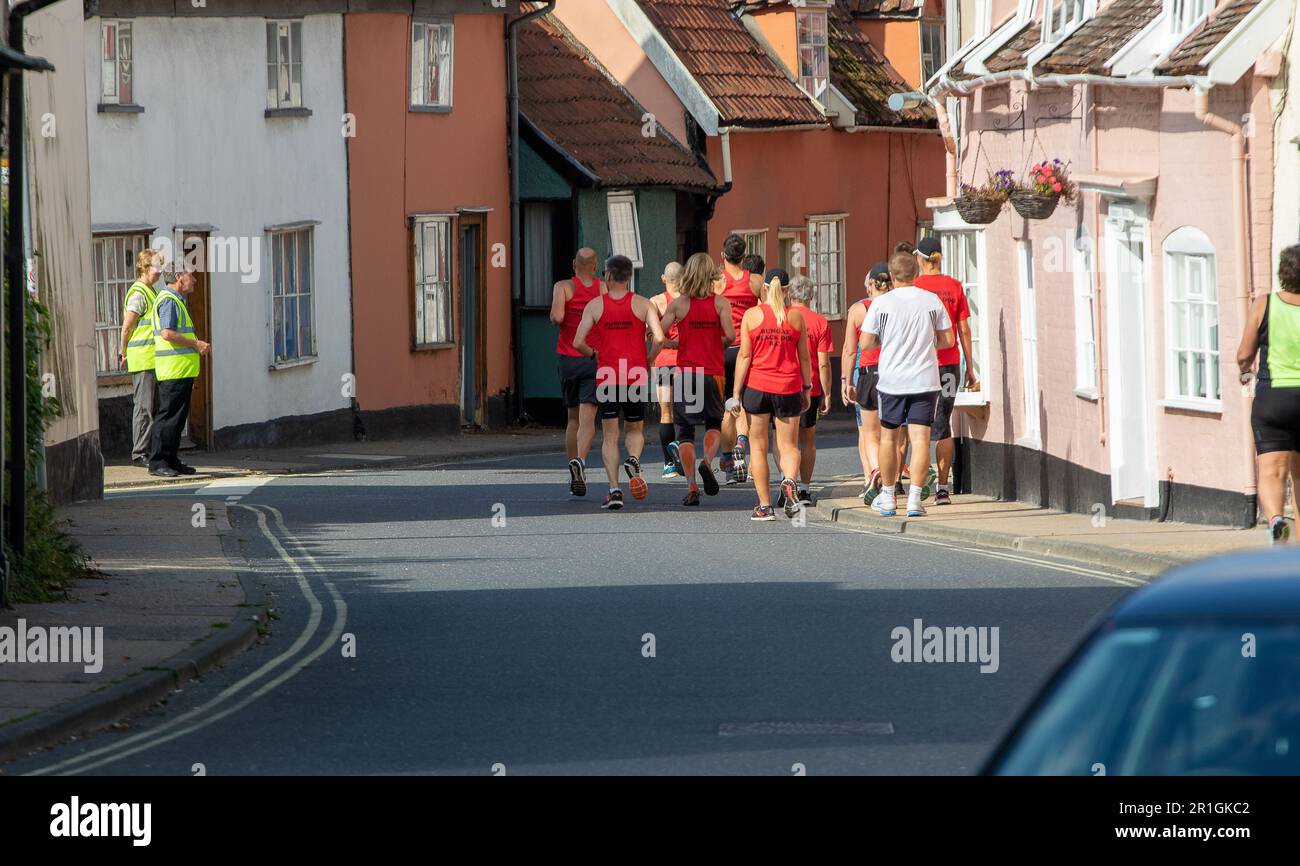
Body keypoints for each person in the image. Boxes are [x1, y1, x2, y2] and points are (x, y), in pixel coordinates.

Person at [859, 252, 954, 518]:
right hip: (925, 379)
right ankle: (915, 499)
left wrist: (885, 342)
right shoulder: (931, 301)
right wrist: (928, 342)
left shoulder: (881, 304)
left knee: (888, 438)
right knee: (921, 439)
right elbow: (948, 339)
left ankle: (888, 496)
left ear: (891, 276)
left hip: (892, 381)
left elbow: (865, 343)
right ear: (916, 274)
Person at [573, 255, 665, 510]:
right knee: (635, 430)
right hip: (635, 373)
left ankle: (614, 490)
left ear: (608, 276)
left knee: (610, 436)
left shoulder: (594, 306)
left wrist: (594, 354)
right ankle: (633, 459)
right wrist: (649, 358)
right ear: (629, 277)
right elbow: (659, 337)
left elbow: (577, 342)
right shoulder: (643, 304)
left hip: (608, 376)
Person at [733, 269, 811, 521]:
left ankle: (765, 506)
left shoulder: (751, 316)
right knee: (788, 445)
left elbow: (744, 356)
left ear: (764, 288)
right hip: (788, 387)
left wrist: (736, 391)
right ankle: (789, 480)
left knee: (758, 447)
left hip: (757, 387)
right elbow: (804, 358)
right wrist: (807, 388)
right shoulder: (797, 317)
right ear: (787, 290)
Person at [659, 252, 735, 506]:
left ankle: (692, 485)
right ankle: (707, 462)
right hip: (713, 373)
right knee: (713, 423)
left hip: (685, 375)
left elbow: (659, 334)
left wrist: (673, 343)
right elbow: (730, 335)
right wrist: (715, 344)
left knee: (685, 432)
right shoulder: (720, 303)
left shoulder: (679, 303)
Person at [1237, 244, 1300, 543]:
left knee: (1271, 472)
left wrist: (1244, 372)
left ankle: (1277, 521)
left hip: (1273, 399)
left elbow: (1243, 354)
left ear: (1283, 272)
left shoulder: (1265, 304)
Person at [914, 237, 978, 505]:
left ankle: (915, 485)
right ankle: (942, 488)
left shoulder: (914, 287)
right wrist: (970, 368)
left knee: (917, 424)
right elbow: (963, 329)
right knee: (944, 423)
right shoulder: (954, 286)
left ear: (920, 258)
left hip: (920, 364)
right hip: (950, 364)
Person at [551, 248, 604, 496]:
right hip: (593, 358)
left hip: (568, 359)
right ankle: (581, 462)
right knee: (588, 419)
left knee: (572, 418)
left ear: (574, 264)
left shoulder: (563, 287)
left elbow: (557, 316)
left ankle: (572, 464)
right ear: (595, 266)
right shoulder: (602, 290)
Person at [149, 268, 209, 477]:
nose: (194, 279)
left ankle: (171, 460)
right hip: (173, 369)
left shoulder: (175, 300)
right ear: (178, 277)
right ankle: (158, 462)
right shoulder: (169, 300)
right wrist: (196, 343)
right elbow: (167, 333)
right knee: (168, 417)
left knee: (177, 418)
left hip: (180, 369)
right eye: (190, 275)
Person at [716, 234, 764, 484]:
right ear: (744, 258)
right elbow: (768, 312)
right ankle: (742, 442)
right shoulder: (755, 282)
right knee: (745, 403)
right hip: (749, 351)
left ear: (722, 255)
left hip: (723, 350)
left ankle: (726, 460)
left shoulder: (716, 283)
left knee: (728, 406)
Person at [842, 262, 891, 501]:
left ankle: (873, 473)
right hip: (895, 374)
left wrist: (845, 381)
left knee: (868, 434)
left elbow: (850, 351)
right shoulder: (899, 305)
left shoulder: (859, 309)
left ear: (871, 284)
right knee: (892, 433)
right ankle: (892, 481)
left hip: (867, 374)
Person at [788, 275, 831, 504]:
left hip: (783, 384)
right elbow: (823, 362)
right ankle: (804, 488)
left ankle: (789, 482)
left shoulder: (782, 317)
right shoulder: (820, 322)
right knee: (807, 441)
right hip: (810, 387)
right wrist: (828, 392)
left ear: (789, 294)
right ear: (811, 295)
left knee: (784, 441)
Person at [118, 249, 163, 467]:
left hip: (152, 358)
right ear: (144, 268)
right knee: (144, 407)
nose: (160, 272)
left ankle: (149, 450)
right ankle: (139, 453)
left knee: (151, 407)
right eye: (156, 267)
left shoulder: (151, 291)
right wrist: (123, 351)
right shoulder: (138, 293)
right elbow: (127, 326)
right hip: (142, 358)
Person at [649, 262, 683, 479]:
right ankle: (681, 452)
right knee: (684, 412)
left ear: (664, 278)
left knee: (666, 411)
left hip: (662, 361)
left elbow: (652, 334)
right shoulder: (690, 301)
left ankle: (668, 463)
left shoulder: (655, 301)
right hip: (686, 362)